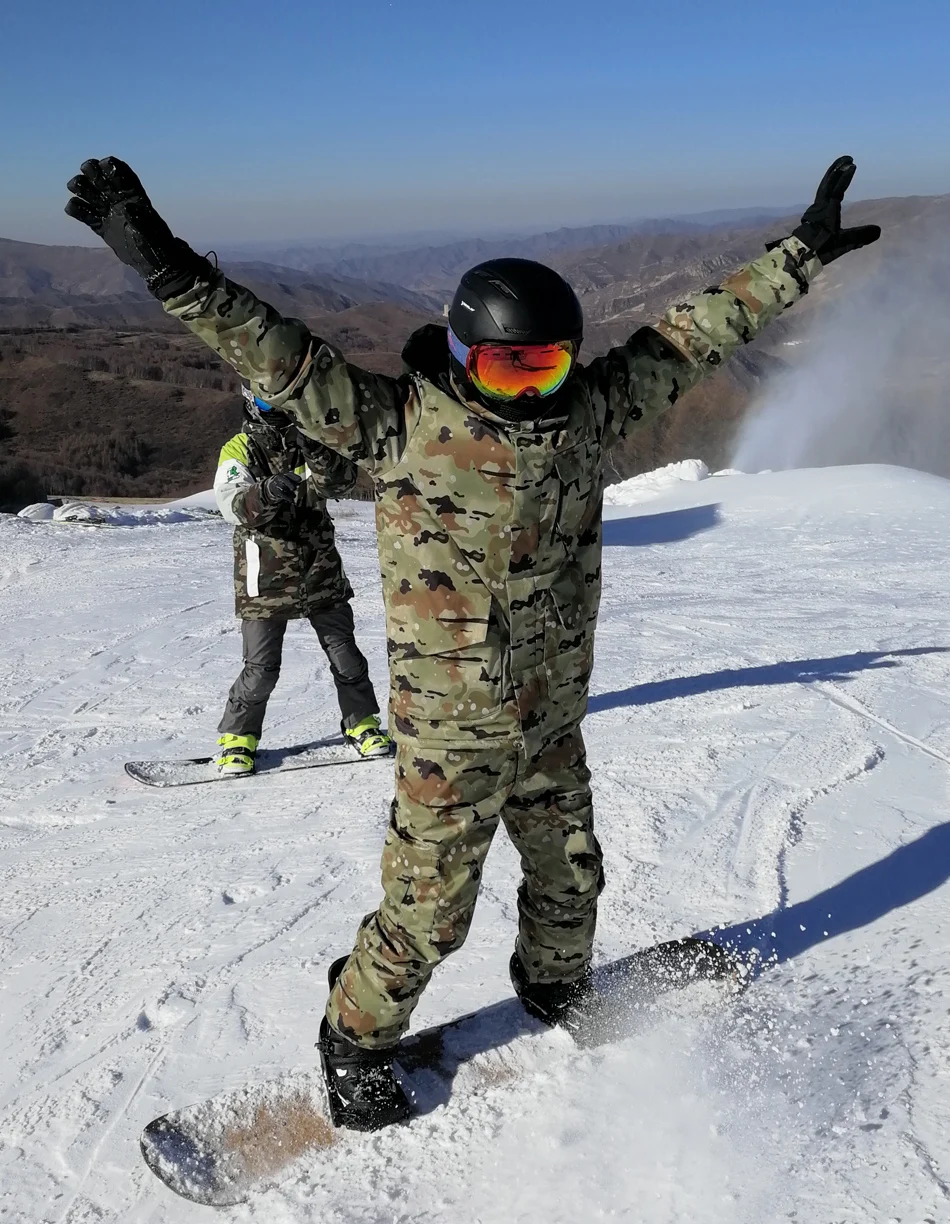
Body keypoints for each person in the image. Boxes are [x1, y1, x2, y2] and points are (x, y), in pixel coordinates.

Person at [65, 154, 880, 1128]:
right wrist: (160, 260)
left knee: (569, 871)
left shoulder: (585, 413)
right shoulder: (398, 425)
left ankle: (554, 990)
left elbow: (688, 337)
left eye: (548, 365)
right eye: (509, 366)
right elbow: (272, 351)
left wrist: (796, 257)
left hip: (551, 716)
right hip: (449, 738)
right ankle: (353, 1037)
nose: (534, 387)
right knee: (428, 911)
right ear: (460, 356)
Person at [212, 384, 392, 770]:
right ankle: (237, 738)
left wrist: (317, 448)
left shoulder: (314, 439)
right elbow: (232, 504)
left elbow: (341, 482)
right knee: (260, 668)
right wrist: (267, 490)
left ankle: (361, 723)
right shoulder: (241, 448)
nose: (275, 407)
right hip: (266, 577)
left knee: (346, 657)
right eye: (265, 399)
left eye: (280, 398)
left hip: (319, 569)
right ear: (249, 400)